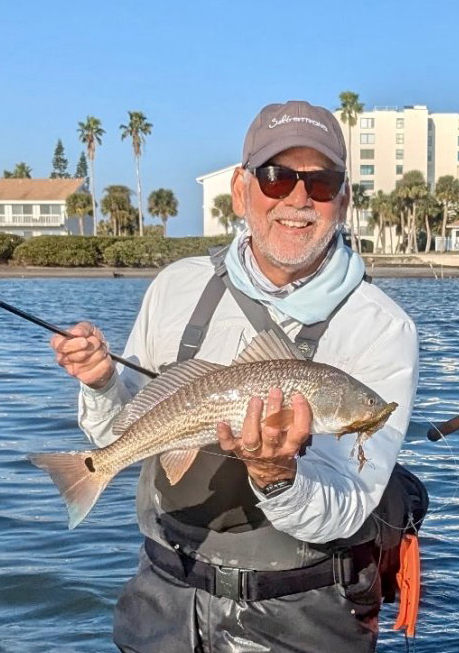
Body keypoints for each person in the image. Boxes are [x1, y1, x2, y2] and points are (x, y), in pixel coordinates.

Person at [49, 100, 421, 652]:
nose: (298, 198)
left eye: (321, 183)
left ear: (342, 201)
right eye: (276, 177)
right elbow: (116, 436)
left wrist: (276, 476)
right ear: (241, 191)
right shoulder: (175, 286)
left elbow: (347, 504)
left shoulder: (383, 327)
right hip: (164, 604)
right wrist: (102, 384)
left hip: (304, 615)